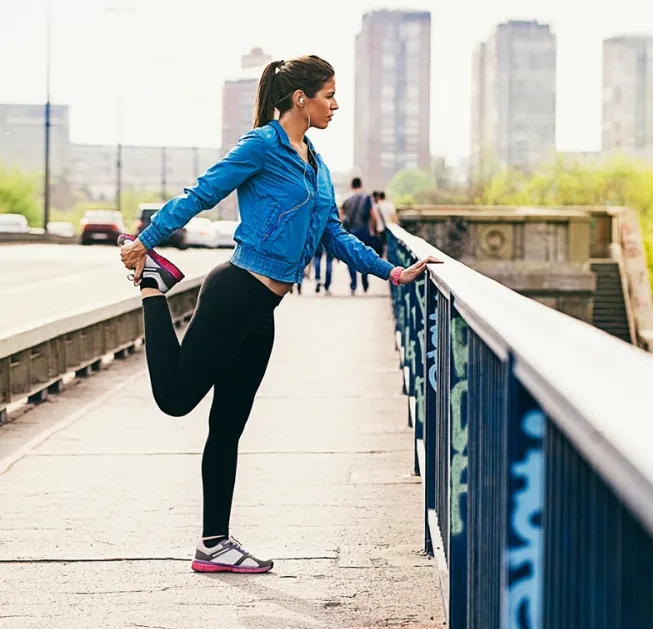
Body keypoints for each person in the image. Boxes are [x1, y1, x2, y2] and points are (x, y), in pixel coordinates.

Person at [116, 55, 439, 575]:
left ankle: (213, 544)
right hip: (235, 291)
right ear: (300, 99)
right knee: (175, 401)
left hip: (262, 309)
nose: (335, 105)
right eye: (329, 95)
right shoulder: (261, 146)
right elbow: (202, 193)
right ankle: (153, 284)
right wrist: (144, 240)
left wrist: (392, 272)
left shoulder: (317, 166)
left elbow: (334, 235)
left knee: (228, 426)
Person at [340, 177, 378, 295]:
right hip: (364, 230)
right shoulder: (366, 198)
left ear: (351, 185)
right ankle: (365, 281)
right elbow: (373, 215)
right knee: (364, 255)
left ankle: (353, 285)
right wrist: (374, 230)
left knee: (351, 257)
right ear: (361, 185)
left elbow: (341, 217)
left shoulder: (346, 199)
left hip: (350, 231)